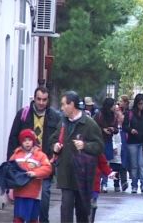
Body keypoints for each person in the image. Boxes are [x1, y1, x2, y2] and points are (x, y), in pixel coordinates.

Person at [7, 86, 60, 223]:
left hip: (45, 163)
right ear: (34, 98)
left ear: (48, 100)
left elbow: (59, 139)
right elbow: (13, 138)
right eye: (39, 99)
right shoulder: (23, 114)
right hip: (24, 166)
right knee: (22, 201)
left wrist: (55, 159)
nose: (41, 102)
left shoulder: (55, 116)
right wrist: (11, 166)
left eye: (44, 100)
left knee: (44, 198)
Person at [51, 91, 104, 223]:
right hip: (66, 174)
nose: (62, 108)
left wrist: (85, 145)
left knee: (82, 212)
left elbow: (99, 146)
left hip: (83, 175)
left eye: (64, 104)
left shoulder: (89, 124)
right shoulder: (62, 123)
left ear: (72, 105)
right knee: (65, 210)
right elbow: (52, 140)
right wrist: (55, 146)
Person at [9, 129, 52, 223]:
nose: (27, 143)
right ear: (21, 142)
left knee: (32, 218)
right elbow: (10, 168)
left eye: (29, 140)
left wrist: (35, 173)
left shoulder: (40, 155)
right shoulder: (16, 155)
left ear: (33, 141)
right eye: (24, 141)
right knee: (18, 218)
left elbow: (48, 168)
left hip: (34, 193)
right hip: (19, 192)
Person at [123, 93, 143, 194]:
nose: (141, 106)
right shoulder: (130, 113)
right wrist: (131, 130)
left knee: (142, 164)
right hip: (132, 141)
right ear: (136, 103)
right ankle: (134, 185)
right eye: (139, 104)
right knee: (134, 165)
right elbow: (125, 126)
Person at [94, 98, 119, 193]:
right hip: (99, 140)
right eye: (113, 105)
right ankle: (97, 181)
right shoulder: (99, 115)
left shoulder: (114, 116)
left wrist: (113, 129)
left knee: (106, 162)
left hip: (108, 141)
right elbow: (94, 127)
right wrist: (102, 130)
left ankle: (104, 183)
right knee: (98, 162)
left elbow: (117, 129)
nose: (114, 107)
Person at [91, 154, 117, 223]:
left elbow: (102, 163)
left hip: (93, 183)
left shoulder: (96, 146)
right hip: (79, 182)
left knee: (91, 205)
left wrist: (109, 173)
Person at [109, 105, 128, 192]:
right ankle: (116, 184)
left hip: (123, 149)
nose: (122, 118)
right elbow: (112, 138)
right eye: (120, 116)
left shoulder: (124, 128)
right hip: (117, 150)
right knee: (116, 167)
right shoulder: (115, 128)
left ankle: (124, 182)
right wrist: (114, 147)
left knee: (123, 166)